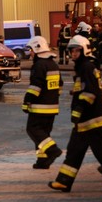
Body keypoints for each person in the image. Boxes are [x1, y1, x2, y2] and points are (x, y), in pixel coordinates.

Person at [49, 35, 102, 193]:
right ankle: (64, 181)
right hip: (87, 119)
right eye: (71, 51)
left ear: (84, 50)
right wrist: (76, 93)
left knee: (101, 150)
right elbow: (86, 88)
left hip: (90, 118)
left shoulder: (86, 67)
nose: (73, 54)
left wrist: (78, 109)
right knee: (75, 150)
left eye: (76, 51)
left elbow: (90, 93)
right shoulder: (84, 66)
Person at [23, 36, 63, 169]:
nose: (30, 53)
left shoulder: (39, 65)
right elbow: (60, 85)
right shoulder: (53, 64)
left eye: (31, 50)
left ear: (37, 48)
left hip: (40, 107)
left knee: (33, 130)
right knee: (44, 135)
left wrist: (27, 100)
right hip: (52, 107)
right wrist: (53, 97)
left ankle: (53, 150)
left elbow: (36, 86)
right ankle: (43, 161)